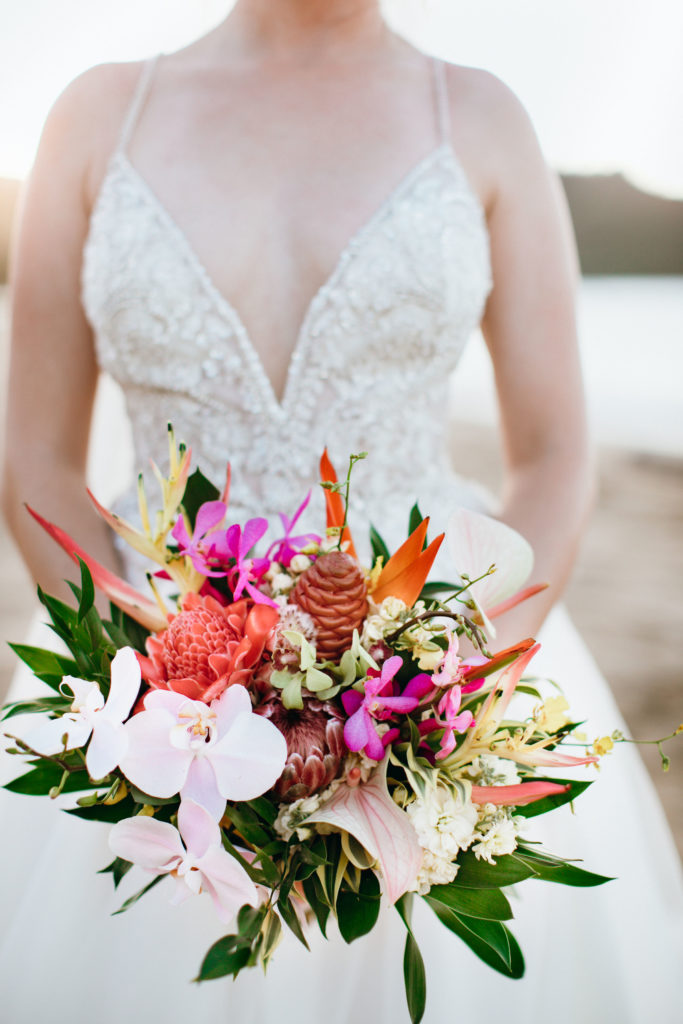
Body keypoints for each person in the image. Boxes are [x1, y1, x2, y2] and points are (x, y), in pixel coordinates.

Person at [1, 2, 681, 1022]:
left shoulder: (479, 117)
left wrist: (443, 693)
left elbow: (552, 454)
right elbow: (37, 455)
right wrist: (150, 686)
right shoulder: (97, 116)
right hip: (158, 675)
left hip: (436, 656)